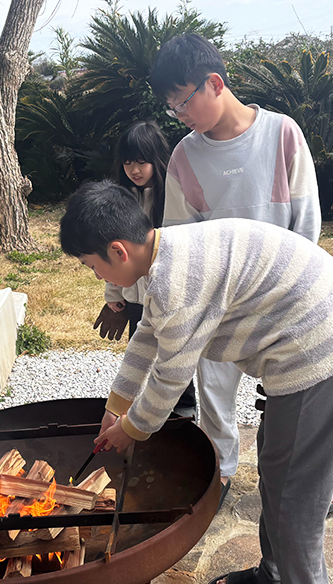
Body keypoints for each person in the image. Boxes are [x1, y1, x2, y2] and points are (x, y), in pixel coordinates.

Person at [59, 180, 333, 584]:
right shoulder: (159, 256)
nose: (93, 274)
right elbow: (147, 336)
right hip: (306, 344)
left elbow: (170, 376)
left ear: (118, 250)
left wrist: (131, 431)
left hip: (321, 348)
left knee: (296, 495)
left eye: (91, 265)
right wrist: (116, 406)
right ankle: (274, 579)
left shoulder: (176, 283)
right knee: (276, 473)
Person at [149, 34, 322, 507]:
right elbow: (181, 241)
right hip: (219, 303)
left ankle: (304, 482)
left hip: (283, 300)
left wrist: (297, 299)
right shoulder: (184, 157)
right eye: (172, 109)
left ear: (215, 83)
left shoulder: (282, 133)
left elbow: (306, 223)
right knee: (215, 395)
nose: (180, 116)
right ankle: (221, 473)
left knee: (289, 401)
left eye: (182, 103)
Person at [93, 121, 196, 418]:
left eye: (141, 161)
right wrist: (114, 295)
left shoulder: (174, 197)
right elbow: (111, 253)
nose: (134, 170)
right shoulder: (118, 201)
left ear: (157, 159)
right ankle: (143, 416)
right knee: (139, 358)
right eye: (127, 162)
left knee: (175, 357)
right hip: (136, 299)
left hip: (170, 297)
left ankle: (184, 414)